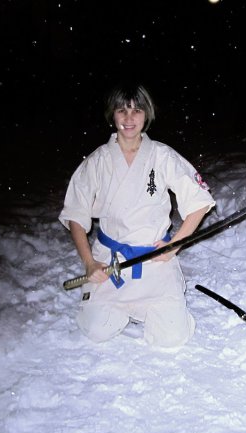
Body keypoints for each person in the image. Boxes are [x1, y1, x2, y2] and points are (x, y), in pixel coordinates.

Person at [58, 83, 216, 347]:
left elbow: (199, 202)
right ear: (112, 115)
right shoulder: (97, 161)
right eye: (122, 110)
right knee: (97, 330)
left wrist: (174, 245)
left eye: (136, 110)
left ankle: (159, 306)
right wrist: (89, 264)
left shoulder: (162, 155)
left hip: (154, 259)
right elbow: (76, 214)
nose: (129, 118)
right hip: (111, 261)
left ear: (147, 114)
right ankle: (114, 305)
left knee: (172, 337)